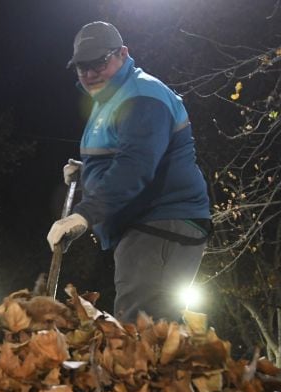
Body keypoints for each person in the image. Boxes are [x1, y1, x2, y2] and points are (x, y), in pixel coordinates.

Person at [46, 21, 212, 323]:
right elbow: (126, 155)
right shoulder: (112, 97)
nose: (90, 73)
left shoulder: (143, 97)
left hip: (161, 222)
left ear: (123, 53)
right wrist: (87, 174)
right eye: (82, 67)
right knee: (147, 326)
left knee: (140, 328)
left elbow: (135, 165)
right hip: (149, 225)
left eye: (99, 62)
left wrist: (83, 214)